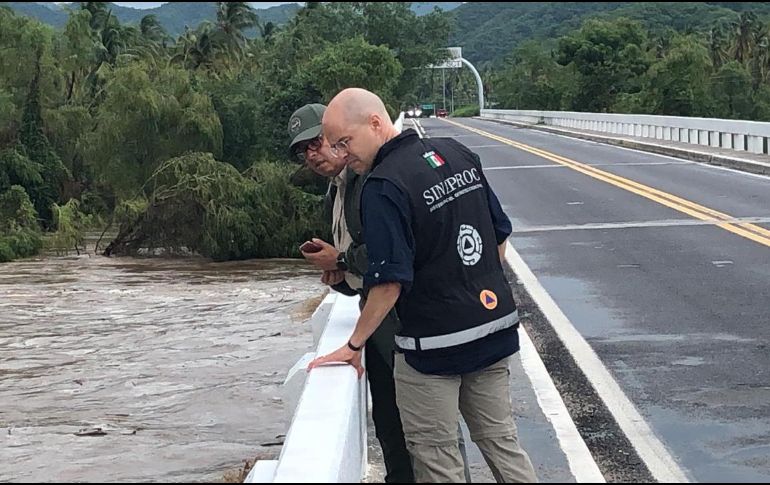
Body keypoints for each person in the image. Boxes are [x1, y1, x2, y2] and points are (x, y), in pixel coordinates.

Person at [309, 88, 538, 483]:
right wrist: (469, 282)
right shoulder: (457, 152)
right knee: (502, 444)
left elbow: (388, 283)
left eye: (344, 142)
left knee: (437, 458)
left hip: (431, 349)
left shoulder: (382, 186)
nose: (343, 155)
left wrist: (352, 347)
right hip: (493, 328)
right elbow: (499, 235)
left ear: (376, 123)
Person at [287, 103, 415, 483]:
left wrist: (340, 258)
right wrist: (338, 275)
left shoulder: (373, 182)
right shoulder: (337, 191)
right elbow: (363, 262)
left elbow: (387, 255)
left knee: (422, 434)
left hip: (400, 322)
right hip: (375, 322)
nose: (312, 154)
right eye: (302, 151)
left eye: (317, 142)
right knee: (392, 430)